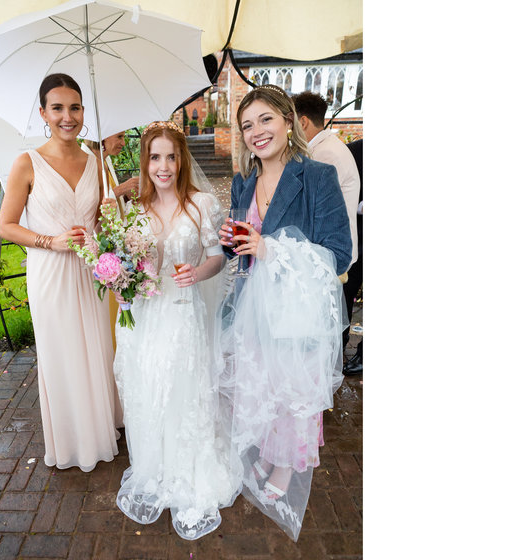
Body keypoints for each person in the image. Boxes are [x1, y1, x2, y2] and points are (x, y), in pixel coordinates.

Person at [217, 84, 352, 541]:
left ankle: (286, 469)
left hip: (297, 312)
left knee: (294, 392)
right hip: (254, 309)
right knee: (267, 386)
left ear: (288, 120)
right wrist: (230, 238)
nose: (257, 132)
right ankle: (272, 455)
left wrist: (271, 248)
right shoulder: (244, 182)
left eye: (266, 120)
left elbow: (340, 252)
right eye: (248, 125)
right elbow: (244, 245)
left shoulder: (317, 176)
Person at [112, 121, 238, 540]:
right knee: (150, 386)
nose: (163, 166)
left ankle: (187, 468)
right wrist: (120, 279)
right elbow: (128, 262)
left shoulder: (200, 203)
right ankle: (156, 465)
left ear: (181, 159)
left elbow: (218, 258)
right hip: (146, 314)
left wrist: (198, 271)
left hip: (183, 311)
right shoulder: (135, 211)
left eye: (170, 156)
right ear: (145, 161)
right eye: (154, 157)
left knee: (181, 387)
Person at [0, 73, 123, 472]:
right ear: (43, 113)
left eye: (75, 108)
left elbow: (101, 224)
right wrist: (52, 241)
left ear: (83, 112)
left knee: (97, 347)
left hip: (90, 273)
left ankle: (102, 426)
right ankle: (74, 441)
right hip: (51, 272)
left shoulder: (96, 163)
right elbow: (6, 226)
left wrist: (103, 221)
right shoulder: (27, 163)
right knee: (62, 352)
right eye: (58, 108)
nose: (68, 117)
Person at [82, 130, 141, 350]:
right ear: (103, 137)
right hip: (100, 251)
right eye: (120, 137)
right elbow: (87, 208)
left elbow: (108, 203)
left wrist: (126, 196)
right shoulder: (87, 162)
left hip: (115, 246)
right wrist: (120, 189)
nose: (123, 143)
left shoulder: (104, 162)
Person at [291, 91, 360, 269]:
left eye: (290, 122)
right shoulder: (324, 147)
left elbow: (309, 207)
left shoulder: (325, 154)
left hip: (330, 254)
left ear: (303, 122)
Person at [342, 138, 363, 375]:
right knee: (346, 294)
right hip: (359, 237)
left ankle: (364, 354)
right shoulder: (353, 151)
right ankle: (339, 350)